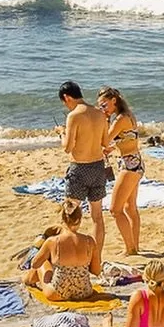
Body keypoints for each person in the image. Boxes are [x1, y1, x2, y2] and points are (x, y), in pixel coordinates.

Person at [59, 79, 110, 258]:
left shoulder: (74, 116)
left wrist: (61, 133)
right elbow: (106, 142)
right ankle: (97, 257)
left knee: (70, 213)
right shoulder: (99, 113)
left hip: (79, 169)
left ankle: (70, 254)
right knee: (97, 217)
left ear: (67, 97)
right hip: (97, 167)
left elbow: (67, 147)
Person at [23, 199, 102, 302]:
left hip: (58, 293)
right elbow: (96, 271)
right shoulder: (89, 241)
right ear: (80, 219)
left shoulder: (53, 241)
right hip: (84, 292)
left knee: (42, 263)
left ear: (63, 220)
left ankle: (26, 280)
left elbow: (35, 264)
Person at [98, 85, 144, 256]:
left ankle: (130, 248)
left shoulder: (119, 119)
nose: (102, 109)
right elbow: (128, 137)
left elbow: (104, 139)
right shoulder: (126, 116)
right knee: (130, 207)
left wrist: (103, 120)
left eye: (104, 105)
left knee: (115, 210)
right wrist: (113, 148)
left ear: (114, 101)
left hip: (130, 165)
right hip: (134, 161)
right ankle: (135, 246)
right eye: (100, 106)